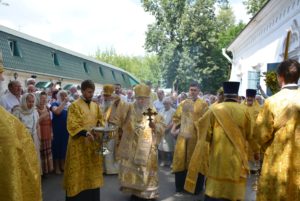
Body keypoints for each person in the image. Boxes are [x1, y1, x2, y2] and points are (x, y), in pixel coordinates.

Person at [191, 81, 252, 201]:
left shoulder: (213, 109)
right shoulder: (245, 111)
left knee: (215, 193)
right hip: (237, 158)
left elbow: (205, 135)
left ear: (224, 95)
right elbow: (250, 135)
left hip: (218, 159)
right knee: (234, 192)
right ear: (236, 95)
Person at [254, 59, 300, 201]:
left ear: (280, 77)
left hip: (276, 163)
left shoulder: (271, 102)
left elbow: (260, 135)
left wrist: (256, 150)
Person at [110, 84, 165, 201]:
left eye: (144, 98)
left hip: (147, 147)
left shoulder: (152, 110)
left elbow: (161, 126)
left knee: (145, 169)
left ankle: (146, 193)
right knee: (132, 168)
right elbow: (119, 115)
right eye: (139, 98)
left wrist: (155, 126)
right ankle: (134, 191)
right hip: (131, 145)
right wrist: (116, 102)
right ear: (135, 98)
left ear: (148, 99)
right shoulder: (129, 108)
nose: (141, 100)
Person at [0, 58, 42, 201]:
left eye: (20, 87)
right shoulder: (5, 100)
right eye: (17, 87)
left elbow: (35, 123)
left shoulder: (26, 104)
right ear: (11, 88)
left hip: (30, 137)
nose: (19, 88)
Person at [64, 80, 104, 201]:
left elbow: (100, 121)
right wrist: (85, 133)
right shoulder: (74, 106)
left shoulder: (95, 106)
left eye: (92, 92)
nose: (91, 94)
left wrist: (99, 129)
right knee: (78, 173)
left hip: (92, 145)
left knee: (91, 172)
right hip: (78, 145)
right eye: (89, 92)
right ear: (82, 91)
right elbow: (72, 124)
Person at [172, 82, 208, 195]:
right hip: (183, 137)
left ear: (198, 91)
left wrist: (195, 124)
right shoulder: (183, 103)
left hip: (196, 137)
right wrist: (174, 129)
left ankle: (195, 188)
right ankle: (180, 186)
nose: (192, 92)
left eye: (195, 90)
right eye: (191, 90)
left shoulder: (203, 104)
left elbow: (205, 120)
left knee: (195, 160)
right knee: (181, 159)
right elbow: (176, 118)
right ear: (189, 90)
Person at [12, 93, 42, 172]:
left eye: (32, 102)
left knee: (34, 157)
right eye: (29, 101)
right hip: (23, 139)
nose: (31, 104)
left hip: (34, 138)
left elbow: (37, 124)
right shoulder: (17, 111)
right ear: (24, 101)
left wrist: (39, 138)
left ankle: (35, 177)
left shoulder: (34, 111)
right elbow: (14, 127)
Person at [101, 84, 120, 174]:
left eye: (107, 95)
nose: (105, 97)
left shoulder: (115, 103)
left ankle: (110, 169)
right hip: (103, 128)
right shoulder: (102, 103)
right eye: (104, 95)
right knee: (103, 148)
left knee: (110, 148)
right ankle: (103, 168)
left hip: (112, 128)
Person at [50, 90, 70, 174]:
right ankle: (56, 167)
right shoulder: (54, 104)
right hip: (57, 129)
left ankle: (63, 164)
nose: (64, 97)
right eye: (62, 95)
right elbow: (57, 112)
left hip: (66, 130)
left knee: (64, 147)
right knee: (57, 147)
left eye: (65, 95)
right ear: (58, 96)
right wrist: (64, 102)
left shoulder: (69, 105)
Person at [36, 91, 54, 175]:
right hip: (40, 130)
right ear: (37, 99)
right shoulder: (35, 108)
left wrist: (51, 132)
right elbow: (36, 122)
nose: (43, 100)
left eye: (44, 98)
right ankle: (42, 171)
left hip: (47, 129)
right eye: (41, 98)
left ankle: (48, 169)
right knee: (41, 150)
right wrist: (42, 117)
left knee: (48, 150)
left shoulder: (47, 107)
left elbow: (50, 121)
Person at [158, 97, 176, 167]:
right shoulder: (161, 110)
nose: (165, 105)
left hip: (169, 132)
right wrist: (159, 128)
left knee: (171, 148)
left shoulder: (173, 111)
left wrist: (167, 129)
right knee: (161, 147)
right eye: (164, 104)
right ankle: (163, 161)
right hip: (161, 131)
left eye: (167, 104)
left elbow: (174, 121)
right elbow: (158, 119)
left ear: (170, 104)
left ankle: (172, 162)